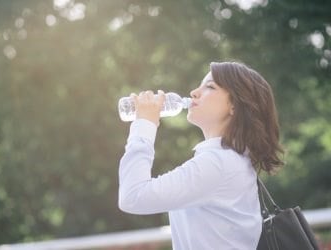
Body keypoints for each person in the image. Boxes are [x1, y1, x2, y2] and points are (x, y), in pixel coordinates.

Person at [118, 61, 284, 249]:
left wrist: (144, 125)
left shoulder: (218, 163)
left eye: (210, 87)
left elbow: (132, 197)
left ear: (235, 106)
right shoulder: (231, 159)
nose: (194, 92)